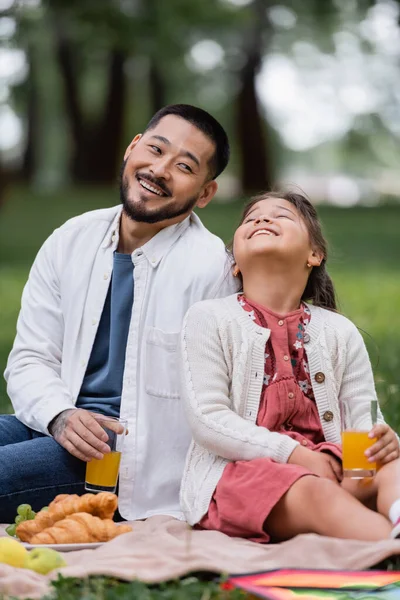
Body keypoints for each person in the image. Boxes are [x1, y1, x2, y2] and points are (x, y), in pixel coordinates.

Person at [1, 104, 238, 524]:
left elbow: (225, 400)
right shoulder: (70, 240)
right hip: (52, 421)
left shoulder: (211, 270)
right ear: (132, 149)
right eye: (155, 149)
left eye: (184, 166)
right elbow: (30, 358)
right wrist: (59, 415)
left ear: (204, 194)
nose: (160, 169)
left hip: (123, 460)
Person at [180, 190, 400, 543]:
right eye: (251, 218)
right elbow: (208, 420)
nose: (261, 220)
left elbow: (365, 411)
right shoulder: (209, 318)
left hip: (338, 469)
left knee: (394, 467)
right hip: (243, 478)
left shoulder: (339, 330)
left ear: (314, 254)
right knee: (317, 495)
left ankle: (385, 517)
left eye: (280, 215)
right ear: (235, 262)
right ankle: (385, 546)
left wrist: (378, 443)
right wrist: (296, 456)